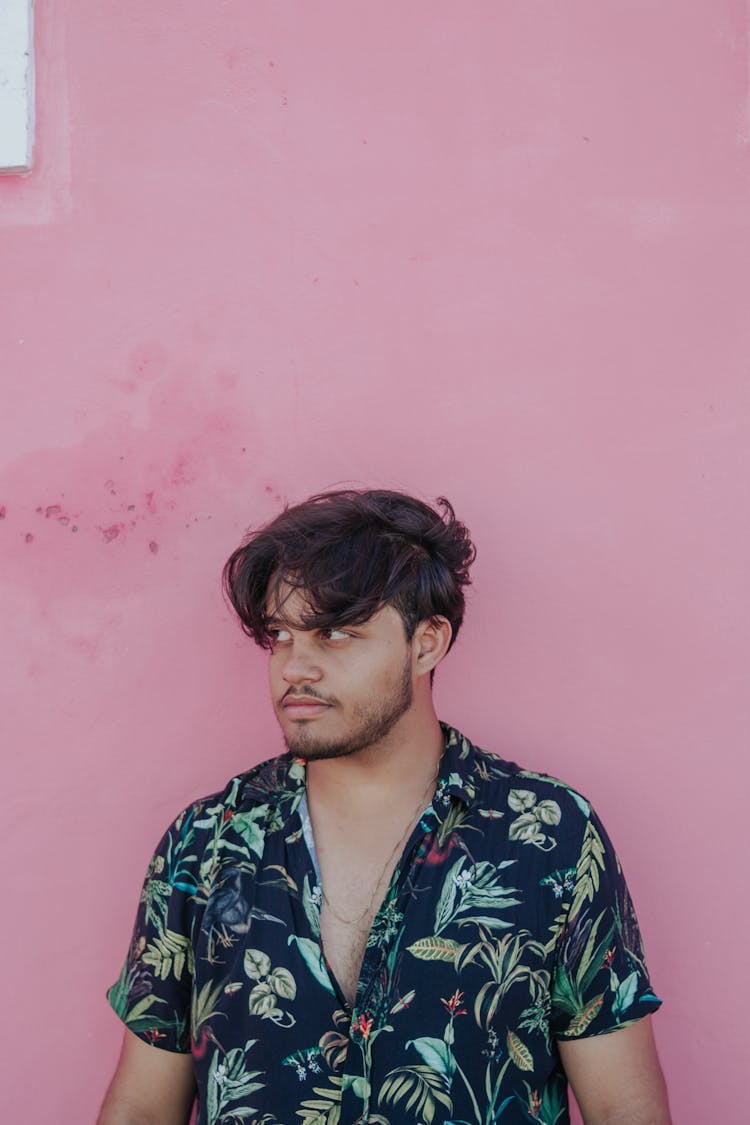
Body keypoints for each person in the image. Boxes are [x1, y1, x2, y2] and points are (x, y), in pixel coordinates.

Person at [99, 489, 671, 1125]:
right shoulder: (205, 842)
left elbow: (623, 1105)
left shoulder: (550, 835)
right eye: (281, 635)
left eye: (337, 633)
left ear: (427, 644)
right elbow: (144, 1105)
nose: (295, 666)